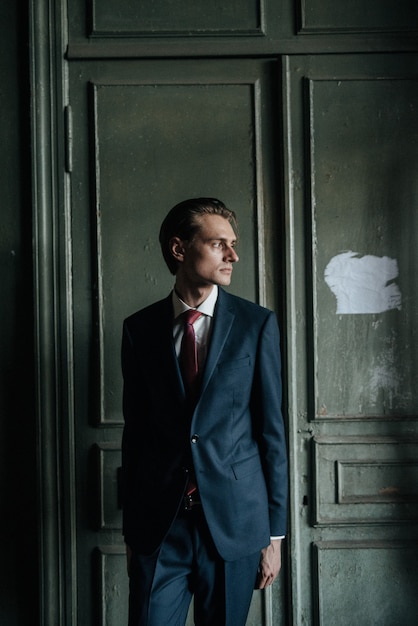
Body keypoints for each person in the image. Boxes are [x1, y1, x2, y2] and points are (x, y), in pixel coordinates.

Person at [121, 197, 288, 626]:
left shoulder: (256, 324)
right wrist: (132, 527)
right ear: (180, 249)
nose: (233, 255)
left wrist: (274, 535)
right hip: (160, 526)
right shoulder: (140, 330)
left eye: (232, 244)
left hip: (234, 525)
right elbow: (135, 432)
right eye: (219, 244)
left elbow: (271, 433)